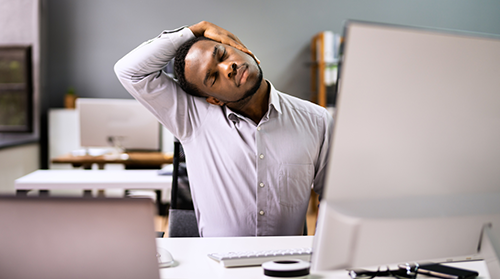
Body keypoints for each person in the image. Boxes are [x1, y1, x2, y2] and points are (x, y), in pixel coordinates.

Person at [115, 21, 334, 237]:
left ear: (237, 46)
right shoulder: (192, 118)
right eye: (212, 77)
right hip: (218, 268)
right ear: (212, 99)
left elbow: (334, 200)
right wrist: (196, 30)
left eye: (222, 54)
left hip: (286, 267)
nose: (228, 68)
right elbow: (129, 71)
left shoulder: (316, 120)